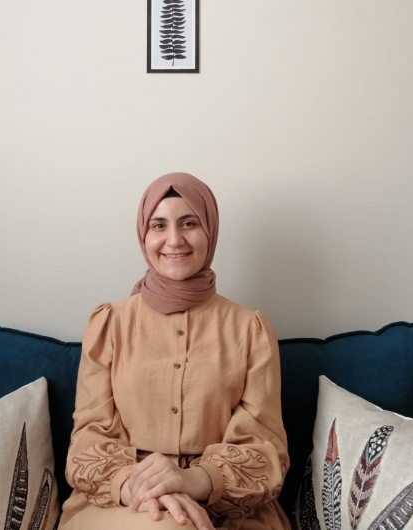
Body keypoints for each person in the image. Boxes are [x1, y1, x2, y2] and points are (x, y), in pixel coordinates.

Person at [58, 172, 291, 530]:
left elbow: (265, 448)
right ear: (144, 234)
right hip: (120, 501)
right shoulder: (110, 323)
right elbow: (88, 440)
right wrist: (144, 488)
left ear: (210, 230)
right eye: (159, 225)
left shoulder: (250, 328)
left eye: (189, 223)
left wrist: (193, 480)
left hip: (230, 507)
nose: (174, 239)